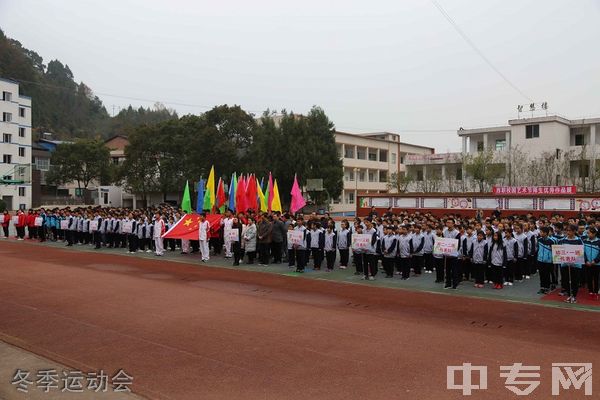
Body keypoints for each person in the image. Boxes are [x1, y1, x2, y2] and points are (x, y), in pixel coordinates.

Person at [560, 224, 584, 303]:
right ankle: (569, 295)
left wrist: (573, 259)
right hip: (565, 264)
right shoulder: (563, 240)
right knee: (566, 280)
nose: (568, 232)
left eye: (569, 231)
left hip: (576, 264)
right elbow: (560, 251)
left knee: (574, 281)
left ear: (574, 231)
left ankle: (574, 296)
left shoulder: (578, 240)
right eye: (567, 230)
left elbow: (581, 252)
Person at [443, 219, 461, 289]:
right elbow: (442, 241)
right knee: (447, 270)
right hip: (446, 255)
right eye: (447, 222)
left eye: (450, 223)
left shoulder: (457, 233)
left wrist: (452, 251)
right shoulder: (444, 232)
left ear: (453, 224)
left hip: (454, 254)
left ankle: (455, 284)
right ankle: (448, 283)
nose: (448, 224)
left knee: (454, 270)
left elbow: (458, 244)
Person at [536, 227, 554, 295]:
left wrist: (552, 259)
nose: (540, 233)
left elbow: (554, 251)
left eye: (541, 232)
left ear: (546, 233)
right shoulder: (539, 240)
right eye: (540, 232)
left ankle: (547, 288)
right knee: (541, 274)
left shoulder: (551, 241)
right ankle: (542, 287)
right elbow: (538, 248)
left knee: (547, 275)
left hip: (548, 261)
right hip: (540, 260)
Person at [583, 227, 600, 300]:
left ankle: (596, 291)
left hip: (596, 264)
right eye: (587, 233)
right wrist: (586, 261)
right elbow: (582, 252)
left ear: (594, 234)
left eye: (589, 233)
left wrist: (595, 261)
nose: (588, 234)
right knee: (589, 278)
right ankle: (590, 291)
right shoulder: (584, 241)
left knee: (596, 278)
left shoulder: (599, 241)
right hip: (587, 263)